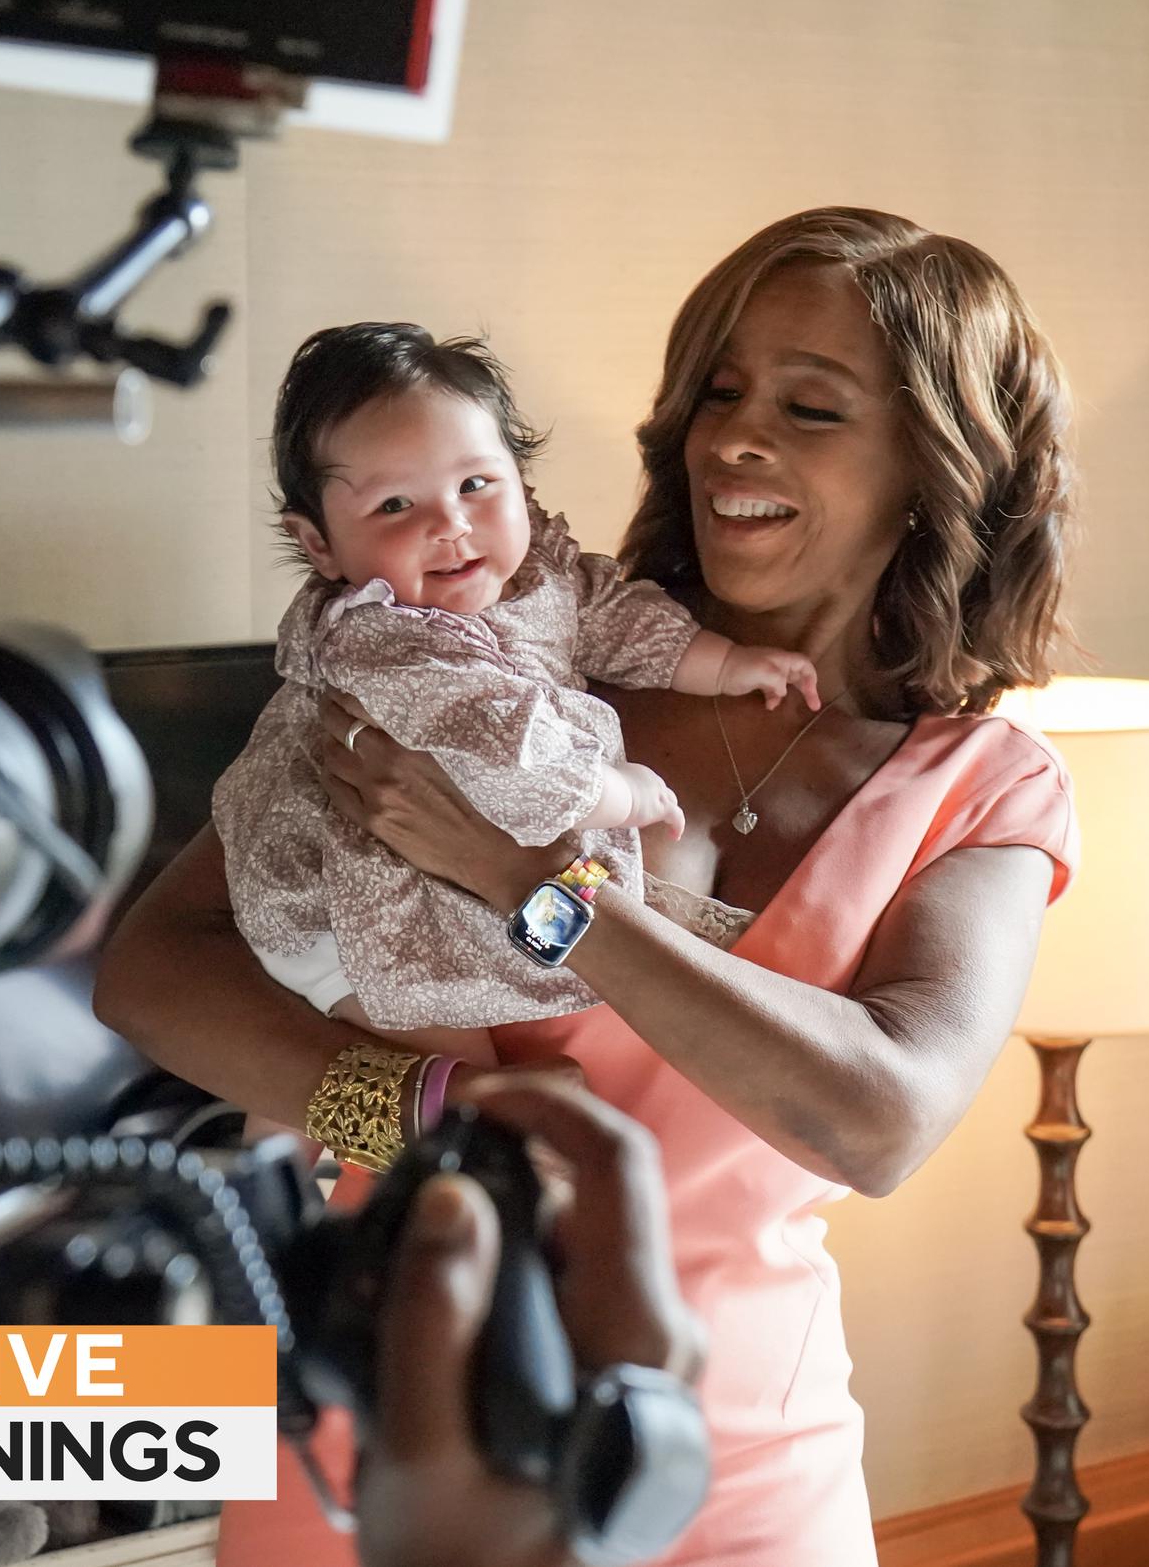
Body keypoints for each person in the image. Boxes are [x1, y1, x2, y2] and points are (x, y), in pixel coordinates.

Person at [97, 205, 1081, 1566]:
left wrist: (529, 881)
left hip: (734, 1469)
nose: (734, 438)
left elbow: (878, 1113)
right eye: (720, 392)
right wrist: (413, 1111)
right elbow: (154, 969)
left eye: (810, 407)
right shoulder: (486, 658)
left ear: (935, 462)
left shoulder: (983, 785)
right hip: (392, 1429)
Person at [215, 321, 818, 1066]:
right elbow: (506, 758)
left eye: (474, 484)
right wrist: (621, 794)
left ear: (521, 483)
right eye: (396, 507)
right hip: (336, 918)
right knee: (460, 1078)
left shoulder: (537, 580)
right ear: (320, 545)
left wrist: (727, 665)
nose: (451, 525)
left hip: (394, 906)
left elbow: (610, 619)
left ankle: (284, 1154)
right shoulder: (390, 642)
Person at [354, 1079, 705, 1567]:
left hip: (681, 1443)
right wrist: (392, 1092)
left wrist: (394, 1097)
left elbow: (854, 1136)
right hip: (326, 1278)